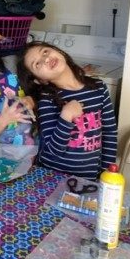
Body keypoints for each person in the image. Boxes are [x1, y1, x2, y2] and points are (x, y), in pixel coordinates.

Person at [16, 41, 118, 180]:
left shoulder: (99, 88)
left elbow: (109, 133)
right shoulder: (46, 100)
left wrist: (106, 173)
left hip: (89, 178)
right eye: (37, 64)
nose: (45, 59)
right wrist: (66, 116)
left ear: (60, 51)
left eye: (45, 52)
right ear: (40, 80)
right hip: (51, 178)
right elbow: (53, 150)